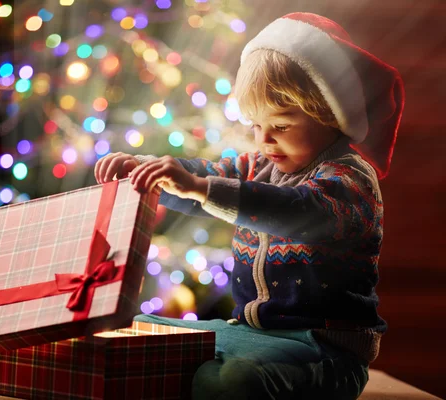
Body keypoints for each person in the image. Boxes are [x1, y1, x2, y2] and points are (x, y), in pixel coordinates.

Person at [94, 12, 404, 400]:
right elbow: (200, 173)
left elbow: (296, 209)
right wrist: (145, 171)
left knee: (232, 383)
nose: (265, 141)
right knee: (134, 330)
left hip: (321, 349)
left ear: (330, 114)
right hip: (247, 334)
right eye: (256, 126)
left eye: (282, 126)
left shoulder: (350, 181)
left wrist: (202, 188)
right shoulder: (258, 167)